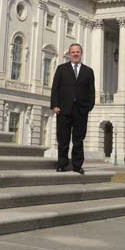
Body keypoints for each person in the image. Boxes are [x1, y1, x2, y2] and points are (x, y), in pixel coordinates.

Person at [50, 43, 95, 175]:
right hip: (63, 109)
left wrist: (89, 107)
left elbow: (91, 91)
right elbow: (55, 89)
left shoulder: (88, 71)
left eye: (78, 52)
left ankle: (77, 166)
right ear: (70, 54)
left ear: (81, 54)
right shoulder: (61, 69)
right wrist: (54, 105)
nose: (75, 54)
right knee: (63, 139)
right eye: (73, 52)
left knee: (78, 140)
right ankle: (62, 164)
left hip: (81, 110)